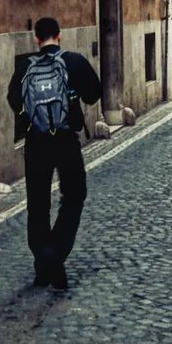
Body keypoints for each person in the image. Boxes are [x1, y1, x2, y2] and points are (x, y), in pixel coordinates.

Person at [7, 16, 102, 291]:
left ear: (37, 39)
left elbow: (13, 99)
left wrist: (33, 117)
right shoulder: (73, 61)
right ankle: (55, 254)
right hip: (66, 141)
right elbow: (94, 94)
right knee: (74, 195)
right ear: (59, 36)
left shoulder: (26, 66)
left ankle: (44, 259)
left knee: (37, 204)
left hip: (36, 142)